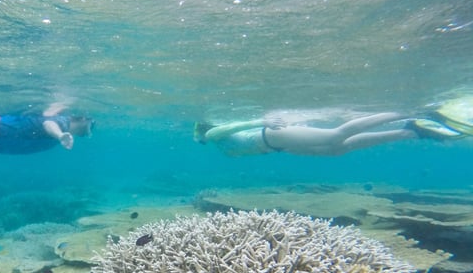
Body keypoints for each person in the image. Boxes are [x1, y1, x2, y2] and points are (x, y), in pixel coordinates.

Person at [194, 110, 465, 157]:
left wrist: (261, 120)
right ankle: (411, 132)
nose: (196, 140)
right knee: (337, 150)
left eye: (197, 135)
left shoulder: (214, 134)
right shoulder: (219, 145)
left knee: (334, 136)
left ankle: (409, 112)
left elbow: (229, 128)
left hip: (272, 136)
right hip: (276, 145)